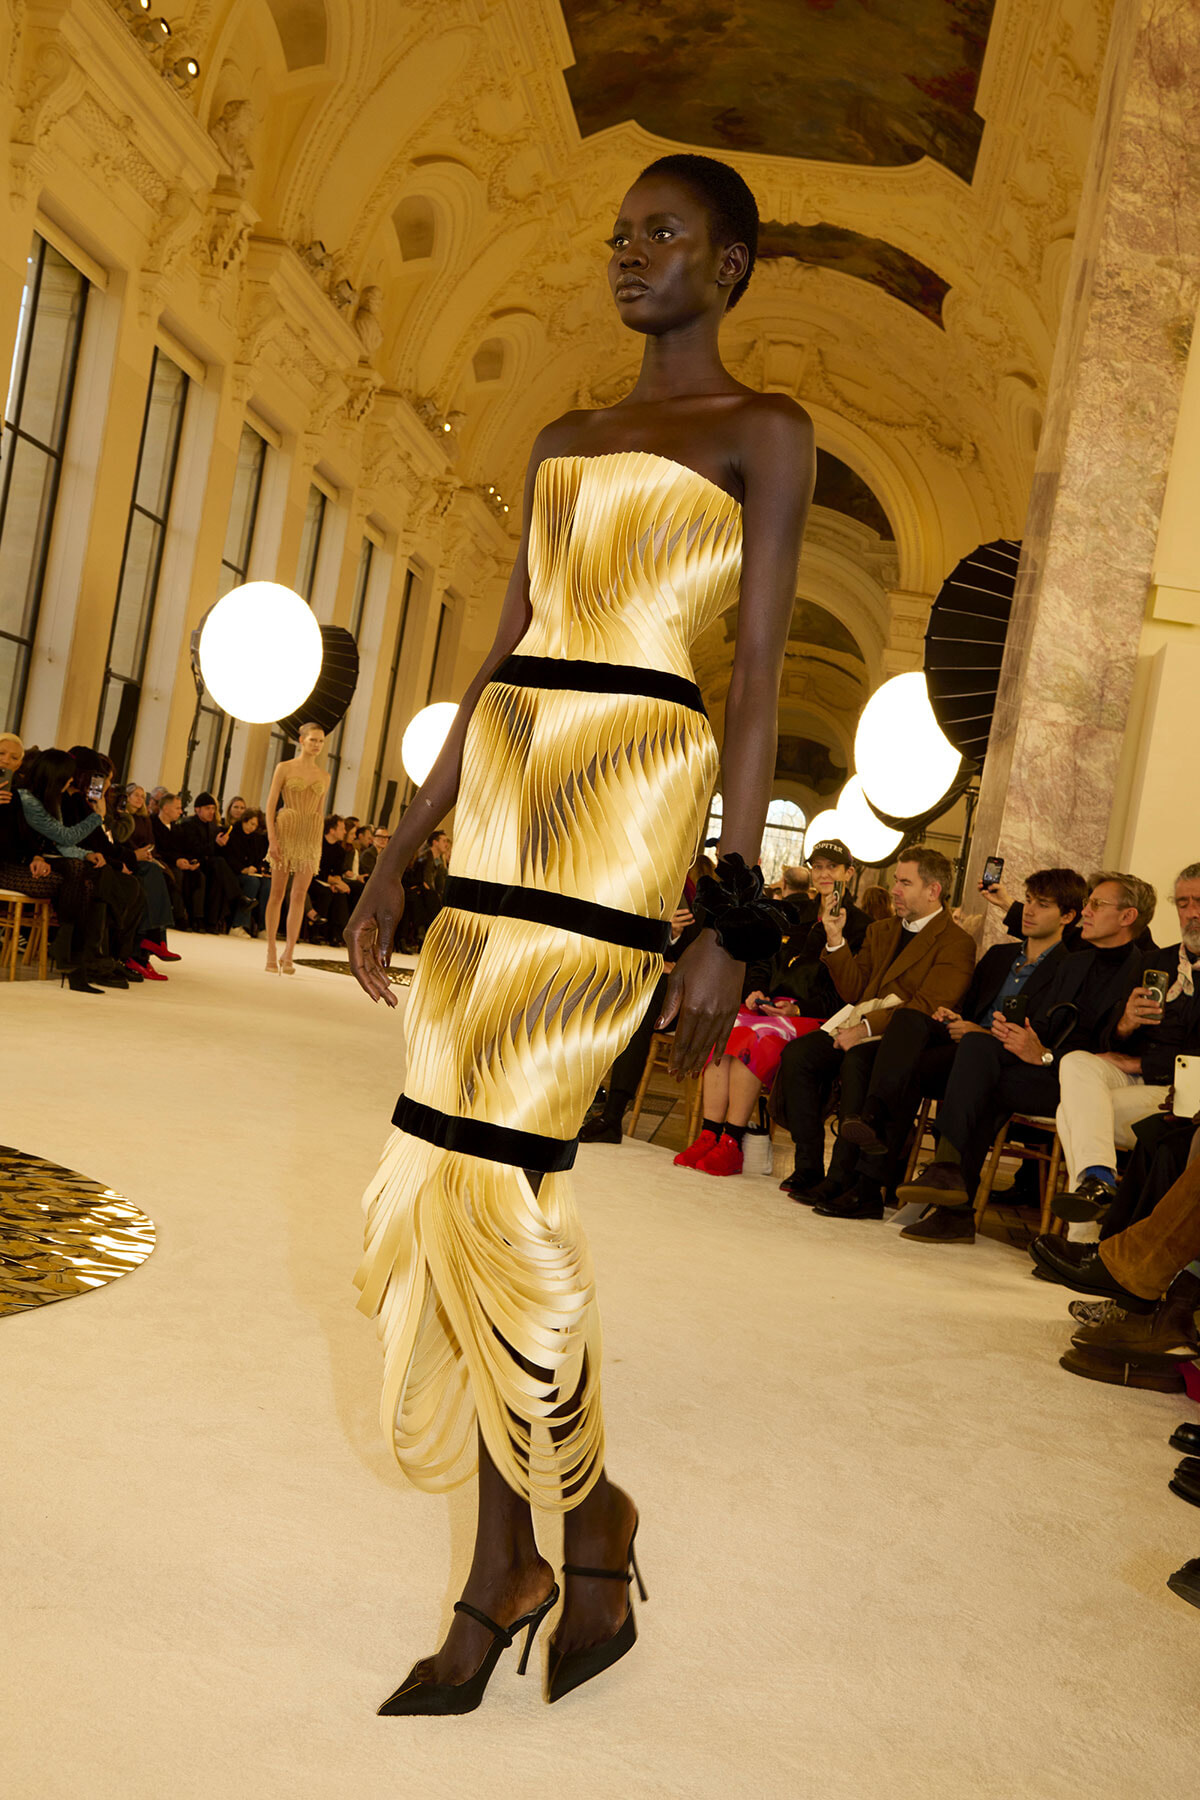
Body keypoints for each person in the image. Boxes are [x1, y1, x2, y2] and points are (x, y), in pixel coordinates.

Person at [345, 152, 813, 1713]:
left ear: (733, 264)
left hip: (624, 814)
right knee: (460, 1172)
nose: (631, 259)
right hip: (504, 806)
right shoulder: (561, 438)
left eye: (665, 237)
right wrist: (399, 847)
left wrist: (731, 913)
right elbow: (503, 650)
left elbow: (749, 676)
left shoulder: (765, 434)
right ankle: (537, 1548)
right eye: (619, 237)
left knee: (503, 1183)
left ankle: (559, 1534)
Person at [898, 870, 1157, 1226]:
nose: (1086, 912)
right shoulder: (1075, 961)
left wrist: (1045, 1054)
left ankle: (952, 1194)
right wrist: (1019, 1036)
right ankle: (948, 1182)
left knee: (986, 1085)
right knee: (977, 1045)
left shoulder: (1145, 969)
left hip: (1082, 1084)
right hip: (1043, 1065)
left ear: (1128, 917)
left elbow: (1109, 1053)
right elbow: (1046, 1024)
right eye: (1087, 904)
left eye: (1096, 904)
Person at [889, 867, 1088, 1242]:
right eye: (1028, 901)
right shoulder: (1000, 955)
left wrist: (979, 1033)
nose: (1028, 911)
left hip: (1016, 1058)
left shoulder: (1071, 964)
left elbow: (1038, 1034)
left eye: (1041, 905)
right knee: (908, 1042)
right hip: (970, 1050)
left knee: (982, 1064)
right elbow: (969, 1005)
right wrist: (956, 1019)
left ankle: (948, 1176)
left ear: (1068, 917)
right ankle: (886, 1166)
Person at [777, 846, 975, 1216]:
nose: (894, 889)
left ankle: (843, 1178)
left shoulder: (956, 943)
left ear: (933, 890)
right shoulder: (882, 930)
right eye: (895, 881)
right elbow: (855, 990)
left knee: (857, 1062)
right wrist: (835, 941)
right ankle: (808, 1167)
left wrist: (866, 1028)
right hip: (857, 1024)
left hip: (903, 1038)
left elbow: (927, 1005)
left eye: (904, 882)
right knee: (798, 1056)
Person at [676, 838, 866, 1175]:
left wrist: (797, 1009)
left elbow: (852, 991)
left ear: (848, 873)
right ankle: (710, 1133)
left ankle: (732, 1142)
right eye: (818, 867)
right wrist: (755, 989)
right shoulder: (797, 909)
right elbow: (763, 956)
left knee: (758, 1035)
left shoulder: (862, 925)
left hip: (812, 1014)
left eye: (832, 868)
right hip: (768, 1005)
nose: (823, 874)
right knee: (728, 1025)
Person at [1052, 861, 1200, 1224]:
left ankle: (1084, 1233)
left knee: (1068, 1113)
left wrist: (1142, 1065)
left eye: (1199, 901)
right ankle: (1100, 1181)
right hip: (1137, 1081)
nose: (1191, 913)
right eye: (1182, 903)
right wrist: (1125, 1024)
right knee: (1076, 1061)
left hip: (1182, 1092)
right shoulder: (1155, 961)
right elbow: (1107, 1039)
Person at [263, 724, 329, 974]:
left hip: (310, 833)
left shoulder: (325, 775)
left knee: (299, 895)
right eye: (313, 740)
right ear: (301, 740)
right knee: (277, 893)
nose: (317, 745)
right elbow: (270, 805)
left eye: (321, 741)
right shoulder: (285, 767)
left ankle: (289, 951)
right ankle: (271, 948)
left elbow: (320, 811)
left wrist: (318, 846)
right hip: (286, 829)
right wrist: (272, 838)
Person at [225, 807, 272, 938]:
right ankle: (238, 925)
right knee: (253, 882)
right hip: (235, 873)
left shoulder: (255, 838)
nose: (253, 828)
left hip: (251, 873)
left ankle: (263, 927)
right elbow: (229, 857)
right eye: (251, 824)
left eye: (255, 825)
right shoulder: (233, 833)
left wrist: (259, 869)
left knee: (267, 885)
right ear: (244, 821)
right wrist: (243, 869)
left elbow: (258, 858)